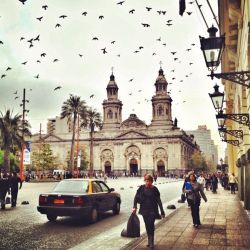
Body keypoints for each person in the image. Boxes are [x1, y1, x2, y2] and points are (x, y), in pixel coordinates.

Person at [132, 174, 165, 249]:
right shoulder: (141, 188)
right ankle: (149, 240)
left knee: (151, 225)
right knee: (147, 225)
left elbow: (159, 201)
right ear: (144, 181)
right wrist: (134, 207)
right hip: (144, 210)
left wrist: (162, 211)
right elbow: (136, 197)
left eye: (149, 181)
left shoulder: (155, 189)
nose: (147, 182)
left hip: (153, 210)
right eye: (146, 181)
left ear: (152, 181)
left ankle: (151, 242)